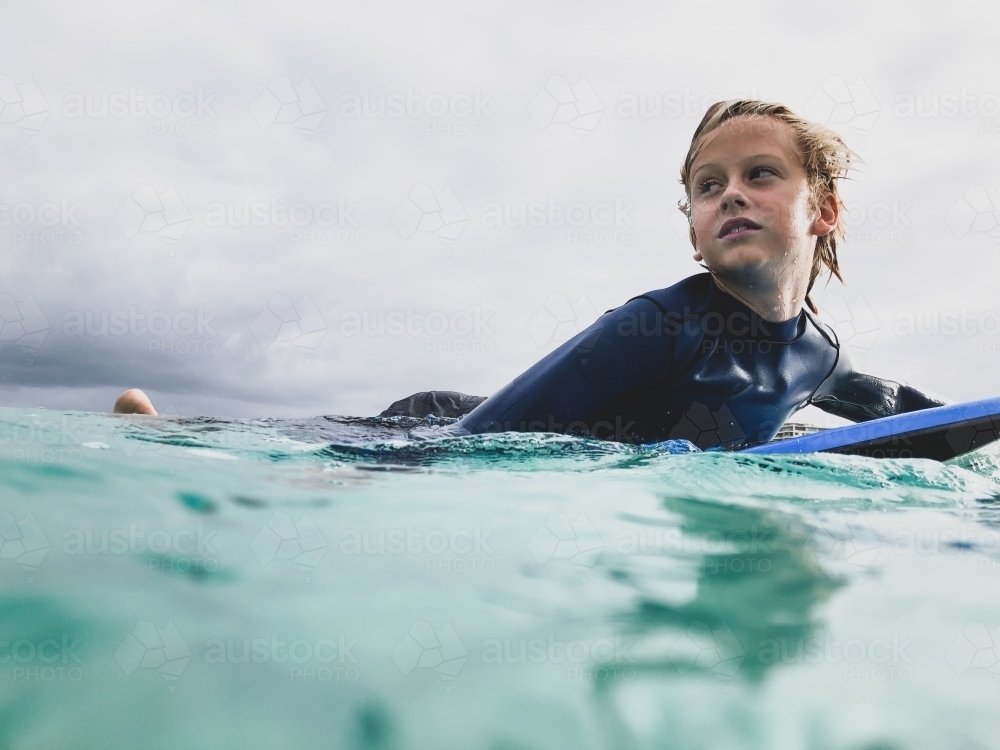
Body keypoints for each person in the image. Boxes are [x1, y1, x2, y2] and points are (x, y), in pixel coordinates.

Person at [115, 100, 947, 449]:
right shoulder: (655, 324)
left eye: (760, 174)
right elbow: (474, 445)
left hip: (511, 420)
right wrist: (343, 488)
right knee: (306, 446)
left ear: (824, 211)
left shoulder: (822, 356)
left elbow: (907, 415)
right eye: (706, 185)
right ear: (694, 235)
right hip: (453, 428)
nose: (730, 193)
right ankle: (170, 438)